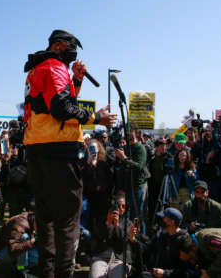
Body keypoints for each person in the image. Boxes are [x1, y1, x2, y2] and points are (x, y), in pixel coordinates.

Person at [23, 29, 117, 278]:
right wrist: (97, 117)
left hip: (38, 151)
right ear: (57, 46)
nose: (73, 52)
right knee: (68, 224)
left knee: (47, 222)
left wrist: (76, 81)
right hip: (60, 154)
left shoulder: (38, 68)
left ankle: (48, 272)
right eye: (70, 47)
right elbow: (62, 109)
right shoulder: (54, 66)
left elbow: (57, 104)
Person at [132, 208, 190, 278]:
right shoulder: (162, 235)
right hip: (159, 273)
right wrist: (133, 239)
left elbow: (184, 270)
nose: (161, 220)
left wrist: (165, 273)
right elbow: (146, 248)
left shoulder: (184, 239)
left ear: (172, 222)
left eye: (164, 218)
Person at [89, 192, 133, 278]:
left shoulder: (128, 223)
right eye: (118, 205)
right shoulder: (102, 219)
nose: (121, 209)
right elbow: (96, 237)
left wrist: (117, 226)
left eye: (123, 206)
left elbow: (125, 241)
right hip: (101, 256)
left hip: (120, 259)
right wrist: (107, 223)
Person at [115, 124, 148, 233]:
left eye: (130, 131)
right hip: (126, 187)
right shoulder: (124, 147)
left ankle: (140, 239)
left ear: (136, 133)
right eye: (126, 132)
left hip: (137, 187)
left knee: (137, 216)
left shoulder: (140, 148)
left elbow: (139, 167)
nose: (128, 133)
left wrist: (124, 158)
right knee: (127, 216)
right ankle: (128, 238)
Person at [147, 138, 172, 228]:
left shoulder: (168, 157)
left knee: (164, 205)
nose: (164, 148)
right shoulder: (152, 157)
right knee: (153, 206)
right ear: (156, 147)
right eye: (161, 146)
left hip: (165, 186)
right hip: (153, 186)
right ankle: (152, 225)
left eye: (165, 146)